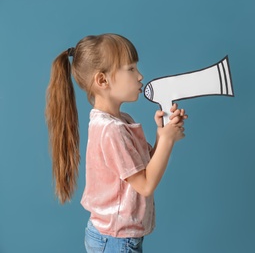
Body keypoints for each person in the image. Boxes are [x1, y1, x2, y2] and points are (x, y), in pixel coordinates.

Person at [45, 33, 187, 253]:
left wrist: (162, 134)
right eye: (131, 69)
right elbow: (146, 185)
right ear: (102, 80)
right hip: (115, 241)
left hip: (116, 237)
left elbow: (145, 166)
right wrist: (168, 140)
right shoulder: (112, 130)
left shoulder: (121, 121)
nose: (140, 76)